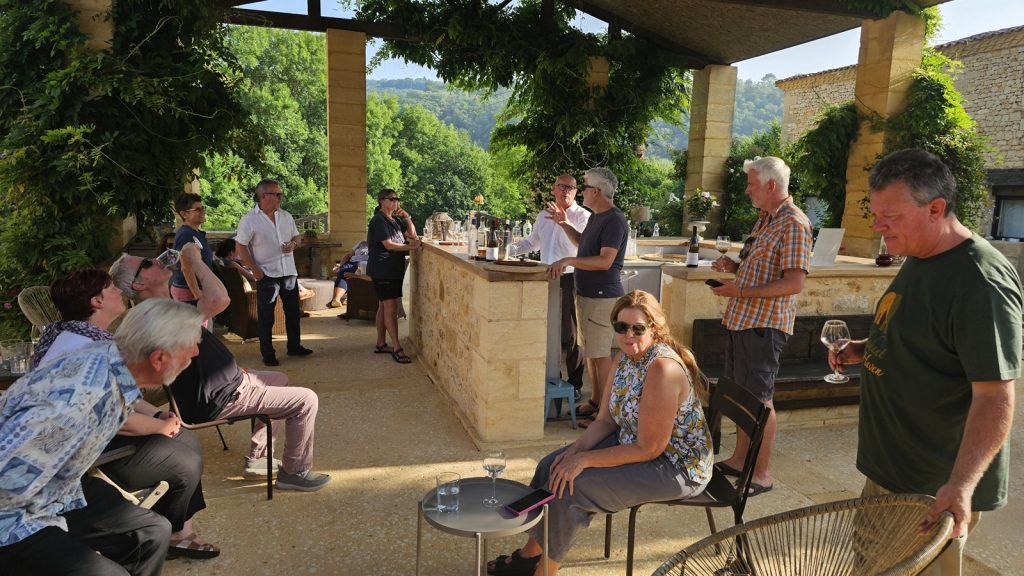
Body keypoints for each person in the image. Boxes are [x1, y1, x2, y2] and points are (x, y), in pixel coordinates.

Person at [830, 148, 1020, 576]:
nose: (878, 226)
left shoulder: (980, 282)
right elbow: (920, 335)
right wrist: (866, 347)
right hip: (890, 470)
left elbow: (996, 394)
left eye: (890, 216)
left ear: (936, 209)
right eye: (876, 213)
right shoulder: (921, 253)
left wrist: (961, 486)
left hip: (929, 489)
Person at [487, 290, 713, 576]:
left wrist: (584, 461)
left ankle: (543, 572)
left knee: (572, 488)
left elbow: (649, 448)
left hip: (676, 466)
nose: (628, 334)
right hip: (633, 442)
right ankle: (528, 556)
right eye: (621, 327)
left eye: (637, 328)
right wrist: (573, 452)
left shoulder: (662, 369)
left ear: (653, 329)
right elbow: (605, 419)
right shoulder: (623, 359)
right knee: (550, 466)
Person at [0, 298, 204, 576]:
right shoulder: (77, 403)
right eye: (190, 345)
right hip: (12, 516)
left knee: (152, 532)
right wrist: (50, 525)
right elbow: (6, 480)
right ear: (158, 359)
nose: (195, 352)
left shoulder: (111, 359)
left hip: (57, 489)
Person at [110, 243, 331, 492]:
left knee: (278, 378)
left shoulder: (161, 309)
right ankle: (295, 472)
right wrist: (194, 260)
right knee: (306, 400)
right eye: (147, 263)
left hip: (228, 385)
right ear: (139, 284)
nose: (158, 260)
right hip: (221, 397)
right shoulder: (155, 317)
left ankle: (259, 458)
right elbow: (219, 299)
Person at [30, 268, 218, 559]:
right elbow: (116, 419)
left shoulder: (84, 337)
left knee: (185, 439)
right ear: (97, 302)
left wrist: (158, 415)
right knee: (184, 460)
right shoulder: (78, 349)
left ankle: (179, 532)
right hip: (81, 453)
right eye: (111, 289)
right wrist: (157, 428)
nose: (120, 291)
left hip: (99, 437)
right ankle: (167, 532)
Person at [708, 156, 812, 496]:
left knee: (759, 401)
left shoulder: (794, 224)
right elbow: (763, 270)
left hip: (763, 327)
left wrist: (740, 290)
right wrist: (734, 266)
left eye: (751, 184)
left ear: (770, 185)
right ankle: (741, 461)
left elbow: (794, 283)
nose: (747, 190)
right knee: (740, 398)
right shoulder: (767, 219)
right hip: (743, 321)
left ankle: (761, 473)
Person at [547, 167, 629, 428]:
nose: (580, 191)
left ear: (596, 191)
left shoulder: (614, 219)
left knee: (601, 355)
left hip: (602, 296)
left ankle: (605, 415)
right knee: (592, 353)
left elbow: (605, 261)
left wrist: (570, 260)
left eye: (583, 187)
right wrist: (564, 224)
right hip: (588, 294)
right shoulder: (597, 216)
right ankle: (595, 401)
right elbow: (585, 243)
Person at [510, 174, 590, 401]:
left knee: (572, 334)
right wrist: (508, 250)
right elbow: (531, 243)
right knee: (543, 329)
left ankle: (574, 384)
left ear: (576, 192)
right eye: (562, 186)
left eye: (571, 188)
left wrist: (565, 223)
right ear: (554, 189)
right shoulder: (542, 215)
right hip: (545, 277)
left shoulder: (583, 216)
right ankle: (542, 377)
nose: (566, 191)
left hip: (571, 278)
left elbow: (583, 246)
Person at [235, 179, 312, 366]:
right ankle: (268, 353)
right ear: (263, 196)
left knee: (293, 313)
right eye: (276, 194)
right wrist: (254, 269)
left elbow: (297, 237)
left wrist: (293, 244)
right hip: (266, 274)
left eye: (281, 194)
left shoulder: (286, 216)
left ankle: (294, 346)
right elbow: (240, 246)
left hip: (288, 272)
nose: (280, 198)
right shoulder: (249, 220)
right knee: (266, 316)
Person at [367, 188, 420, 364]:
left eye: (397, 199)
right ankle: (397, 347)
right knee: (390, 308)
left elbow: (412, 234)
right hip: (383, 269)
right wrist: (411, 248)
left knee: (383, 306)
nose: (395, 202)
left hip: (391, 269)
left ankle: (381, 344)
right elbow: (389, 245)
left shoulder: (394, 220)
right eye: (392, 199)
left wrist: (407, 217)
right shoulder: (378, 220)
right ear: (381, 200)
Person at [171, 193, 213, 304]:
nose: (202, 211)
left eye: (203, 208)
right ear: (184, 214)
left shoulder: (193, 232)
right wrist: (198, 295)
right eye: (197, 209)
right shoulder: (186, 235)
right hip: (189, 293)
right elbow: (185, 268)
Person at [327, 240, 369, 309]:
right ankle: (337, 299)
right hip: (351, 262)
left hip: (361, 264)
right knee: (342, 272)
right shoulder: (362, 243)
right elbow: (348, 255)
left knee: (349, 274)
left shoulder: (378, 245)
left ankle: (337, 298)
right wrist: (340, 264)